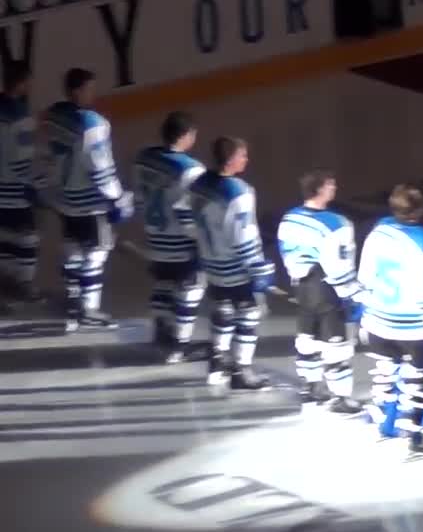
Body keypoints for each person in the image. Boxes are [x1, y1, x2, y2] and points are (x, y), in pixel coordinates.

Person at [356, 184, 423, 454]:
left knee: (386, 373)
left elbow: (364, 277)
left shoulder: (378, 231)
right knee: (418, 378)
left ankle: (383, 425)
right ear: (420, 210)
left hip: (377, 320)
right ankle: (411, 434)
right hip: (412, 328)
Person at [43, 68, 133, 332]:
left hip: (64, 198)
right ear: (78, 90)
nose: (93, 94)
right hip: (90, 203)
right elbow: (101, 168)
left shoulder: (54, 116)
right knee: (96, 254)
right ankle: (89, 309)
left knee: (72, 249)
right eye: (90, 89)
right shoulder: (94, 124)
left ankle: (72, 304)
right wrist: (118, 198)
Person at [189, 136, 274, 390]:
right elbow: (243, 236)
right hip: (235, 268)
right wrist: (258, 268)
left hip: (211, 263)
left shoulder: (199, 184)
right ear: (231, 159)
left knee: (222, 310)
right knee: (248, 314)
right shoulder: (240, 193)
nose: (246, 159)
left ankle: (217, 361)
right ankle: (241, 370)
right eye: (243, 155)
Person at [277, 170, 363, 411]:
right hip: (327, 289)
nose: (334, 188)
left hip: (301, 288)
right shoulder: (337, 224)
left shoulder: (289, 218)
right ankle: (341, 398)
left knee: (307, 338)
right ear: (320, 189)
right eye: (330, 185)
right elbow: (340, 265)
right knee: (336, 345)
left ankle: (310, 386)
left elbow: (286, 252)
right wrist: (352, 295)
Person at [134, 111, 206, 363]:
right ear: (186, 136)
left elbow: (140, 197)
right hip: (180, 242)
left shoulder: (144, 158)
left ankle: (160, 331)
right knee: (191, 287)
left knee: (163, 284)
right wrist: (202, 240)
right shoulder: (190, 169)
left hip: (156, 236)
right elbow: (186, 212)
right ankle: (179, 345)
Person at [0, 63, 42, 309]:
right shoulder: (22, 117)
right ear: (22, 83)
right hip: (15, 191)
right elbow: (22, 159)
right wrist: (34, 184)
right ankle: (24, 285)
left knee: (3, 238)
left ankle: (4, 285)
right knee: (27, 238)